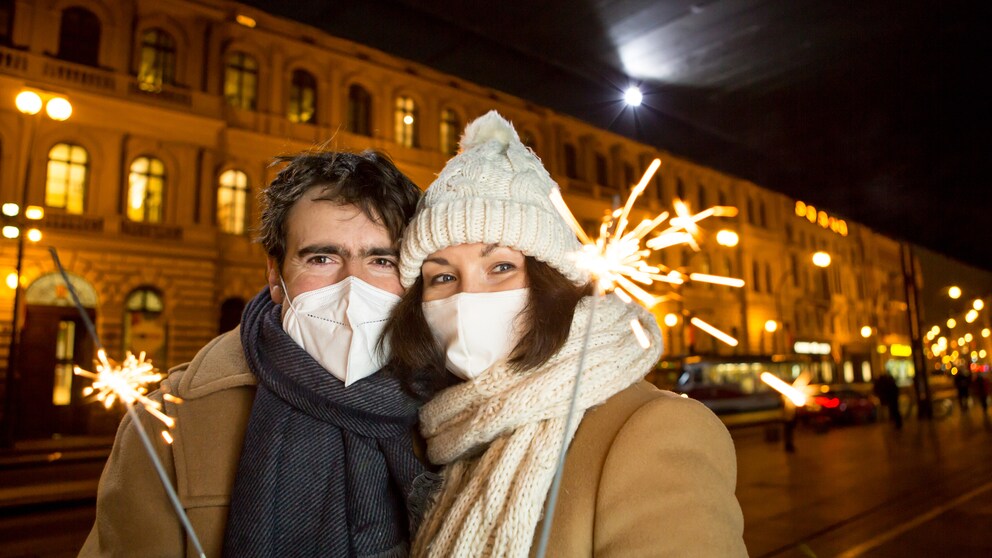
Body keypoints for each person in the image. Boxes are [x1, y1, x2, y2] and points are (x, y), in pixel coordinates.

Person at [386, 111, 746, 556]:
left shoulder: (652, 429)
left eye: (500, 267)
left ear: (552, 283)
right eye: (442, 277)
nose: (467, 297)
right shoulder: (443, 438)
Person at [81, 150, 426, 557]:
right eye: (321, 257)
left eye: (381, 260)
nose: (353, 287)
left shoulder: (453, 415)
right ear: (275, 277)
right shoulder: (170, 424)